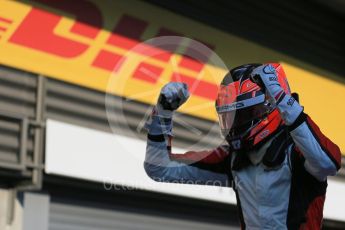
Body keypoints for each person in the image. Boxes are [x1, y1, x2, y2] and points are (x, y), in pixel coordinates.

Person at [144, 63, 341, 229]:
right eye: (229, 116)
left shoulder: (299, 148)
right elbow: (159, 169)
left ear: (271, 105)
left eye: (244, 114)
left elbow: (329, 163)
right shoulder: (232, 156)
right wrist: (163, 113)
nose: (235, 124)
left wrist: (283, 98)